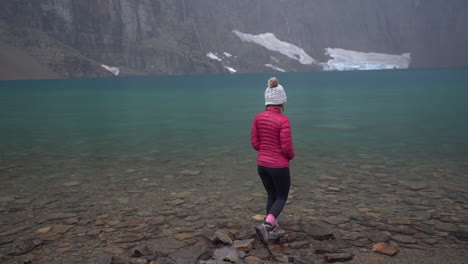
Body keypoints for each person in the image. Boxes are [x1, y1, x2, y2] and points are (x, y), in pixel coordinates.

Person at [251, 77, 295, 244]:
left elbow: (255, 144)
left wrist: (266, 149)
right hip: (278, 165)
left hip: (262, 164)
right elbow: (286, 148)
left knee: (271, 195)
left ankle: (273, 228)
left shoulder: (257, 117)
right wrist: (291, 156)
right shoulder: (283, 120)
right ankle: (268, 225)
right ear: (282, 102)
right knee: (282, 197)